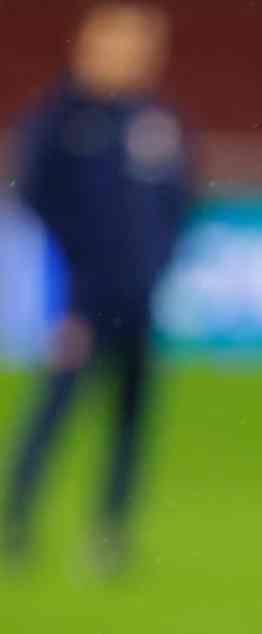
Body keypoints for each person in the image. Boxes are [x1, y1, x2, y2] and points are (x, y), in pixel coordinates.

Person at [2, 3, 191, 576]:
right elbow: (34, 196)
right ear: (87, 45)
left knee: (131, 420)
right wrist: (77, 279)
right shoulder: (61, 118)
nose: (133, 55)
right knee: (54, 410)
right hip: (82, 300)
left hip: (139, 299)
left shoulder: (155, 120)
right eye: (122, 42)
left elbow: (180, 200)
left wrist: (154, 263)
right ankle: (16, 519)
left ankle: (110, 531)